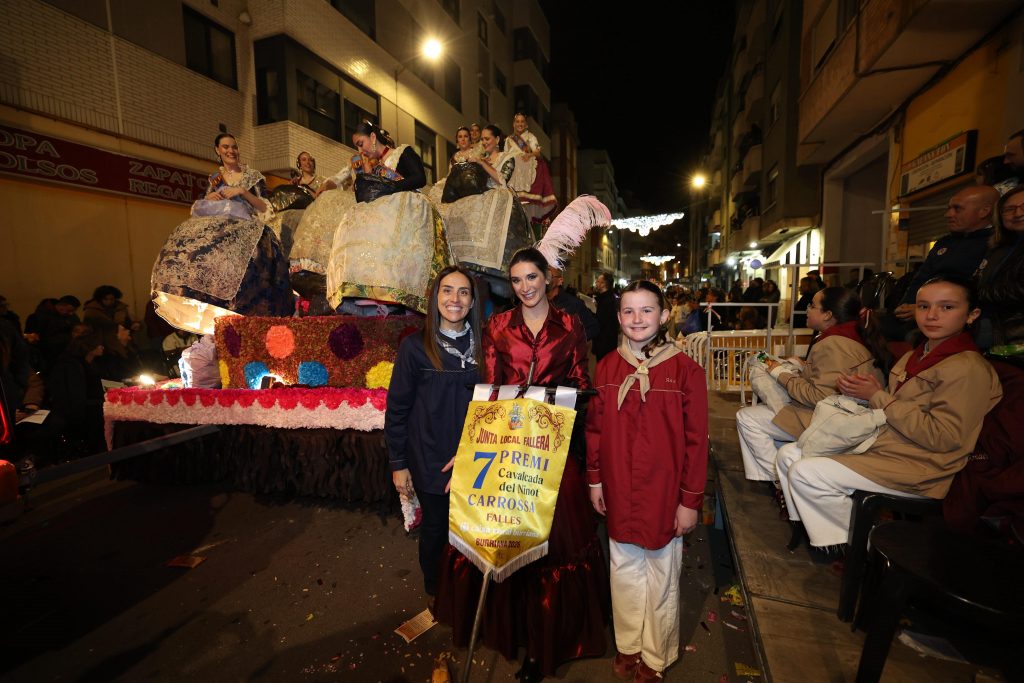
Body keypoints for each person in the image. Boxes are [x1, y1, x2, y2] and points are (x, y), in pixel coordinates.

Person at [434, 248, 608, 682]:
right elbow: (489, 390)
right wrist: (472, 448)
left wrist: (554, 406)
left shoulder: (570, 325)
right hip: (506, 446)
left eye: (532, 277)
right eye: (516, 280)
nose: (525, 287)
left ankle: (542, 646)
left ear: (548, 278)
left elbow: (581, 384)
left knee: (551, 549)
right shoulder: (497, 326)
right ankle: (511, 633)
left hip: (549, 448)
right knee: (505, 543)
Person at [779, 275, 1002, 548]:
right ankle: (824, 535)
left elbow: (945, 437)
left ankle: (861, 547)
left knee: (806, 472)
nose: (932, 315)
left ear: (971, 315)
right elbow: (892, 404)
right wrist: (866, 392)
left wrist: (878, 397)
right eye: (923, 306)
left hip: (922, 464)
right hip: (888, 444)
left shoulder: (968, 369)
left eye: (947, 307)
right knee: (789, 454)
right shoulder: (915, 355)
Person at [586, 280, 708, 682]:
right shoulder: (607, 366)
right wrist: (595, 480)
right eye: (628, 311)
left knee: (661, 575)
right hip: (619, 485)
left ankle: (655, 657)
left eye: (646, 310)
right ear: (618, 316)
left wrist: (690, 501)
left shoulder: (685, 370)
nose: (637, 319)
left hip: (664, 491)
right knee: (623, 569)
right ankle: (629, 645)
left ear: (664, 315)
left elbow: (697, 441)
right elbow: (595, 428)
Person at [386, 266, 481, 597]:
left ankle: (468, 594)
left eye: (463, 292)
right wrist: (399, 463)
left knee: (473, 530)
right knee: (437, 530)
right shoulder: (415, 347)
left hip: (477, 457)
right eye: (447, 290)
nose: (455, 299)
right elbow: (398, 408)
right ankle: (438, 594)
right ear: (435, 297)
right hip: (431, 459)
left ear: (472, 302)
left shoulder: (487, 346)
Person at [738, 287, 889, 494]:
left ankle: (779, 484)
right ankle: (781, 481)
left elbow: (819, 396)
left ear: (828, 315)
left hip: (836, 423)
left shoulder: (834, 343)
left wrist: (779, 372)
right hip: (845, 416)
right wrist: (803, 367)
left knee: (747, 418)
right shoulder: (847, 336)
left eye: (812, 305)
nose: (807, 309)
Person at [151, 133, 291, 334]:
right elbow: (204, 207)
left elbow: (265, 208)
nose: (231, 151)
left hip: (247, 228)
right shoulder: (214, 178)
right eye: (226, 147)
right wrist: (210, 198)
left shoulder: (253, 177)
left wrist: (242, 192)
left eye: (234, 147)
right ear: (217, 150)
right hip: (220, 229)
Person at [326, 120, 453, 314]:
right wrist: (366, 171)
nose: (360, 150)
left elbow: (420, 178)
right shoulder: (371, 166)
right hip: (383, 212)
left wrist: (391, 187)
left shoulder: (402, 152)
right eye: (357, 147)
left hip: (408, 207)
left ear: (373, 137)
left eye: (361, 143)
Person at [890, 186, 998, 329]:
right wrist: (906, 307)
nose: (948, 214)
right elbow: (921, 278)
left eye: (957, 209)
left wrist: (924, 309)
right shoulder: (944, 242)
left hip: (964, 321)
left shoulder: (997, 244)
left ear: (984, 211)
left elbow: (978, 290)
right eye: (949, 208)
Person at [975, 184, 1024, 354]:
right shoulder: (998, 247)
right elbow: (978, 278)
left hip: (1015, 330)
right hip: (992, 323)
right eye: (1009, 209)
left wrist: (977, 293)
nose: (1018, 213)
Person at [503, 113, 557, 222]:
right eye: (517, 121)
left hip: (526, 164)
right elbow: (505, 155)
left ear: (526, 124)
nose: (520, 124)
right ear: (513, 124)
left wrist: (529, 155)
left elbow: (537, 152)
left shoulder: (530, 137)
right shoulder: (509, 139)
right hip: (513, 167)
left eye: (522, 121)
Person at [548, 267, 599, 341]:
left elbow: (593, 328)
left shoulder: (574, 303)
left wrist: (572, 341)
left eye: (549, 276)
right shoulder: (536, 303)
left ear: (560, 281)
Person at [593, 272, 619, 359]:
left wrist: (589, 312)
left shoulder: (607, 300)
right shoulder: (607, 298)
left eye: (598, 281)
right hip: (606, 342)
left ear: (603, 284)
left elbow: (601, 321)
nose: (596, 283)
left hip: (604, 343)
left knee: (603, 365)